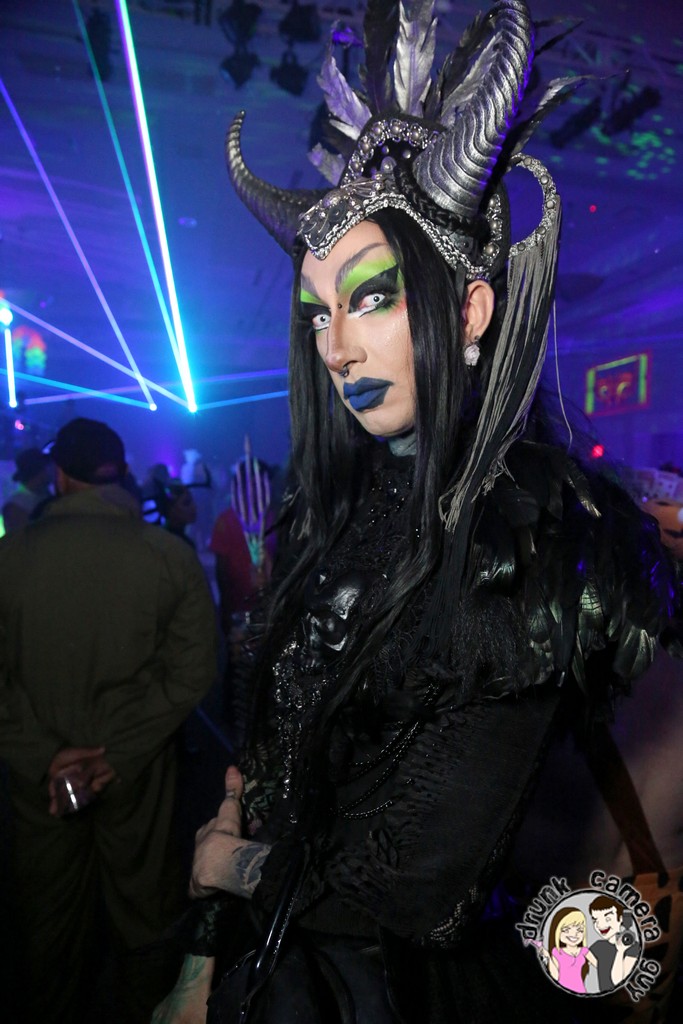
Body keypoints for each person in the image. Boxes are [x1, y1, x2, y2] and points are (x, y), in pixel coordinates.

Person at [154, 2, 680, 1022]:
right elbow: (267, 772)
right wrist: (201, 960)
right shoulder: (341, 510)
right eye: (318, 311)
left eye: (372, 297)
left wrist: (231, 870)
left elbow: (414, 892)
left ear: (469, 310)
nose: (336, 347)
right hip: (286, 973)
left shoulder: (527, 541)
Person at [0, 417, 217, 1024]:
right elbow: (194, 672)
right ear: (119, 472)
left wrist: (46, 756)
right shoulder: (168, 556)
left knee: (47, 926)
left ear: (60, 476)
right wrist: (116, 756)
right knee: (145, 921)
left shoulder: (9, 558)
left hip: (40, 781)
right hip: (137, 773)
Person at [540, 907, 597, 995]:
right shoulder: (556, 952)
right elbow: (555, 976)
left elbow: (600, 966)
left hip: (580, 991)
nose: (574, 934)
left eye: (580, 930)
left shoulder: (584, 951)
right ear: (557, 931)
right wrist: (547, 957)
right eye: (566, 930)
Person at [1, 446, 53, 533]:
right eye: (47, 467)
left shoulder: (47, 496)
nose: (52, 470)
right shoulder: (15, 506)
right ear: (40, 472)